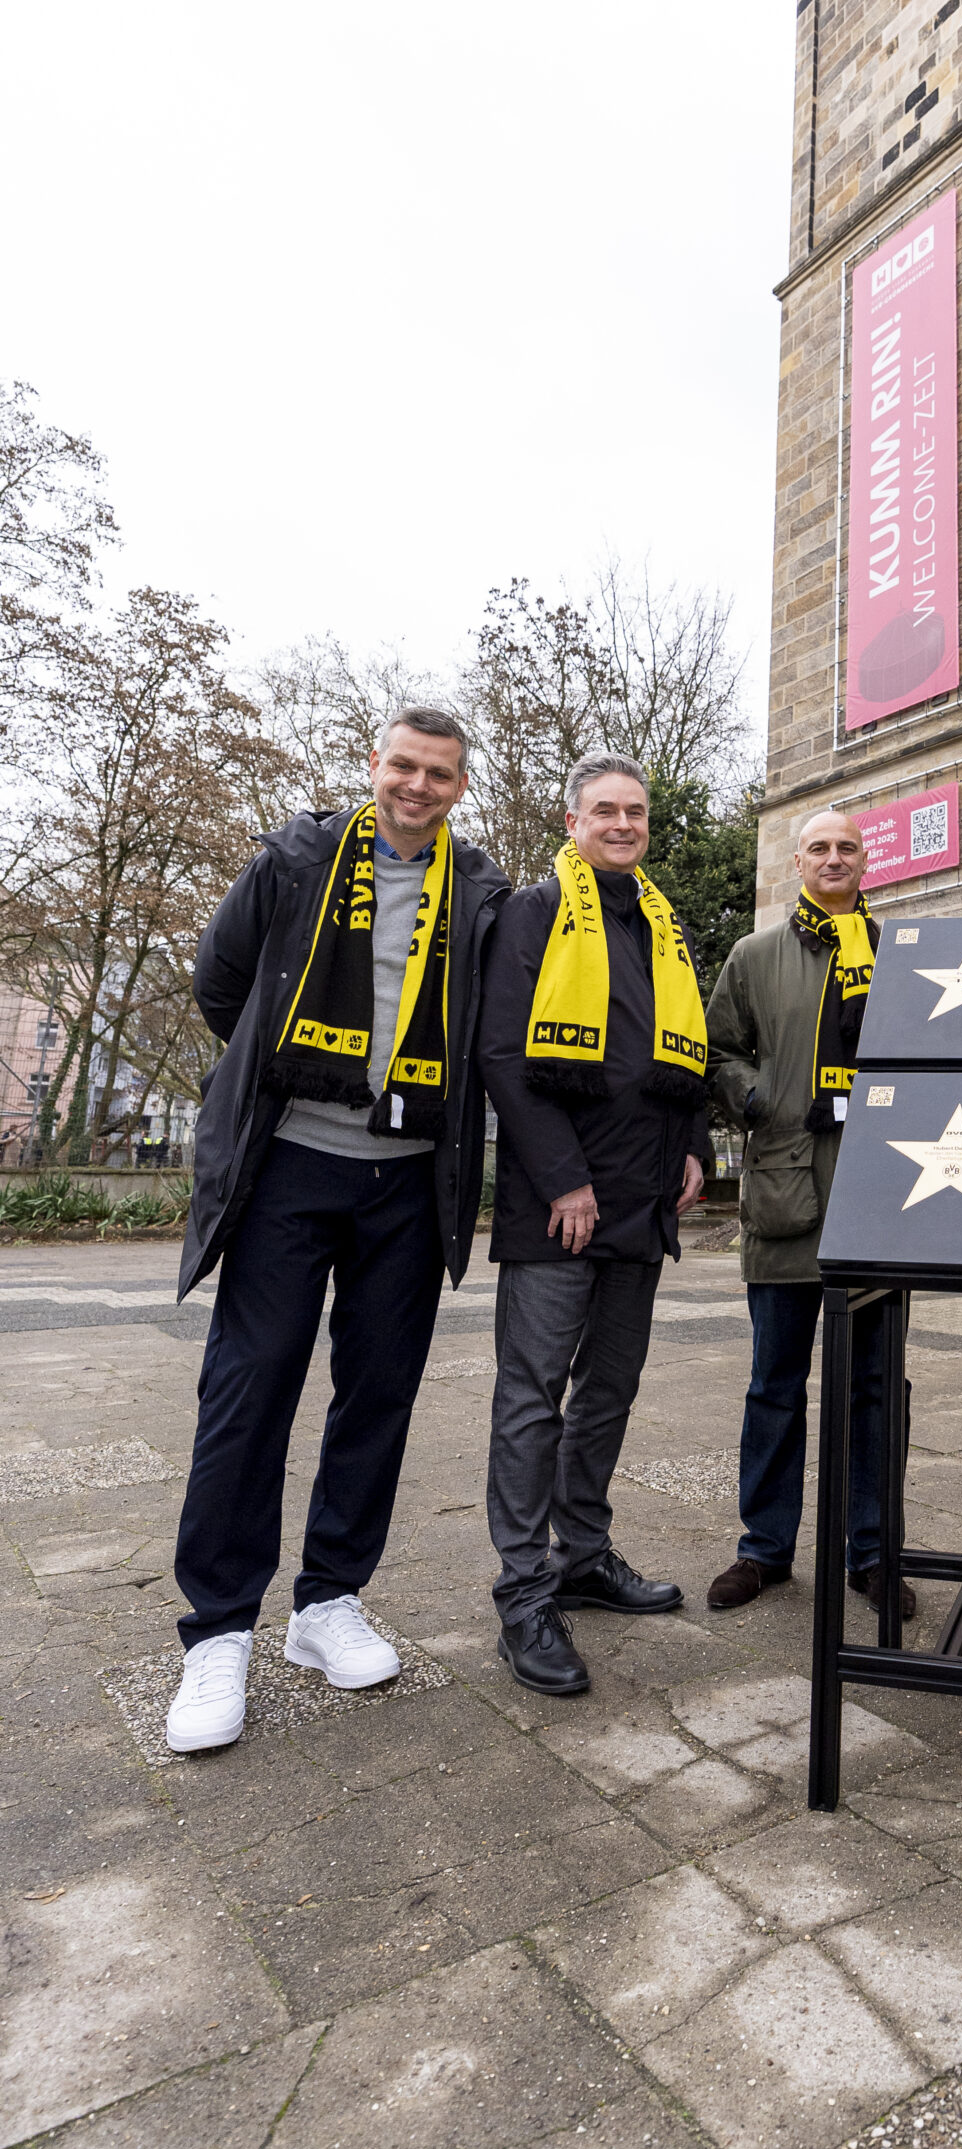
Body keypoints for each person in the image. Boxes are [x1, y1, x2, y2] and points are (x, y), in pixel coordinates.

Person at [165, 709, 509, 1754]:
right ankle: (219, 1628)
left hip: (410, 1176)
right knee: (250, 1384)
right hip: (292, 1164)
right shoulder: (295, 859)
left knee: (379, 1393)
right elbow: (222, 984)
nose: (417, 786)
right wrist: (299, 1067)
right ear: (374, 765)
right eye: (403, 765)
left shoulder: (481, 890)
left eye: (439, 773)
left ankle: (328, 1601)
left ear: (460, 786)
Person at [478, 752, 711, 1697]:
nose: (622, 824)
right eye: (604, 810)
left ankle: (582, 1554)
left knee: (608, 1389)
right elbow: (503, 1053)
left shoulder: (663, 924)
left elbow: (682, 1054)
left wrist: (693, 1145)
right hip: (557, 1207)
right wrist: (565, 1181)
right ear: (571, 822)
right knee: (532, 1397)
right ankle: (523, 1592)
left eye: (635, 812)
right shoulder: (534, 912)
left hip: (642, 1199)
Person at [702, 806, 911, 1618]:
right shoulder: (754, 957)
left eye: (846, 847)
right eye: (818, 847)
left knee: (874, 1388)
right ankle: (764, 1550)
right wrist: (761, 1097)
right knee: (774, 1387)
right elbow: (718, 1049)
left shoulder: (899, 955)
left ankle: (873, 1552)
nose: (832, 858)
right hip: (787, 1193)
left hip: (880, 1195)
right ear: (798, 863)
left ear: (866, 862)